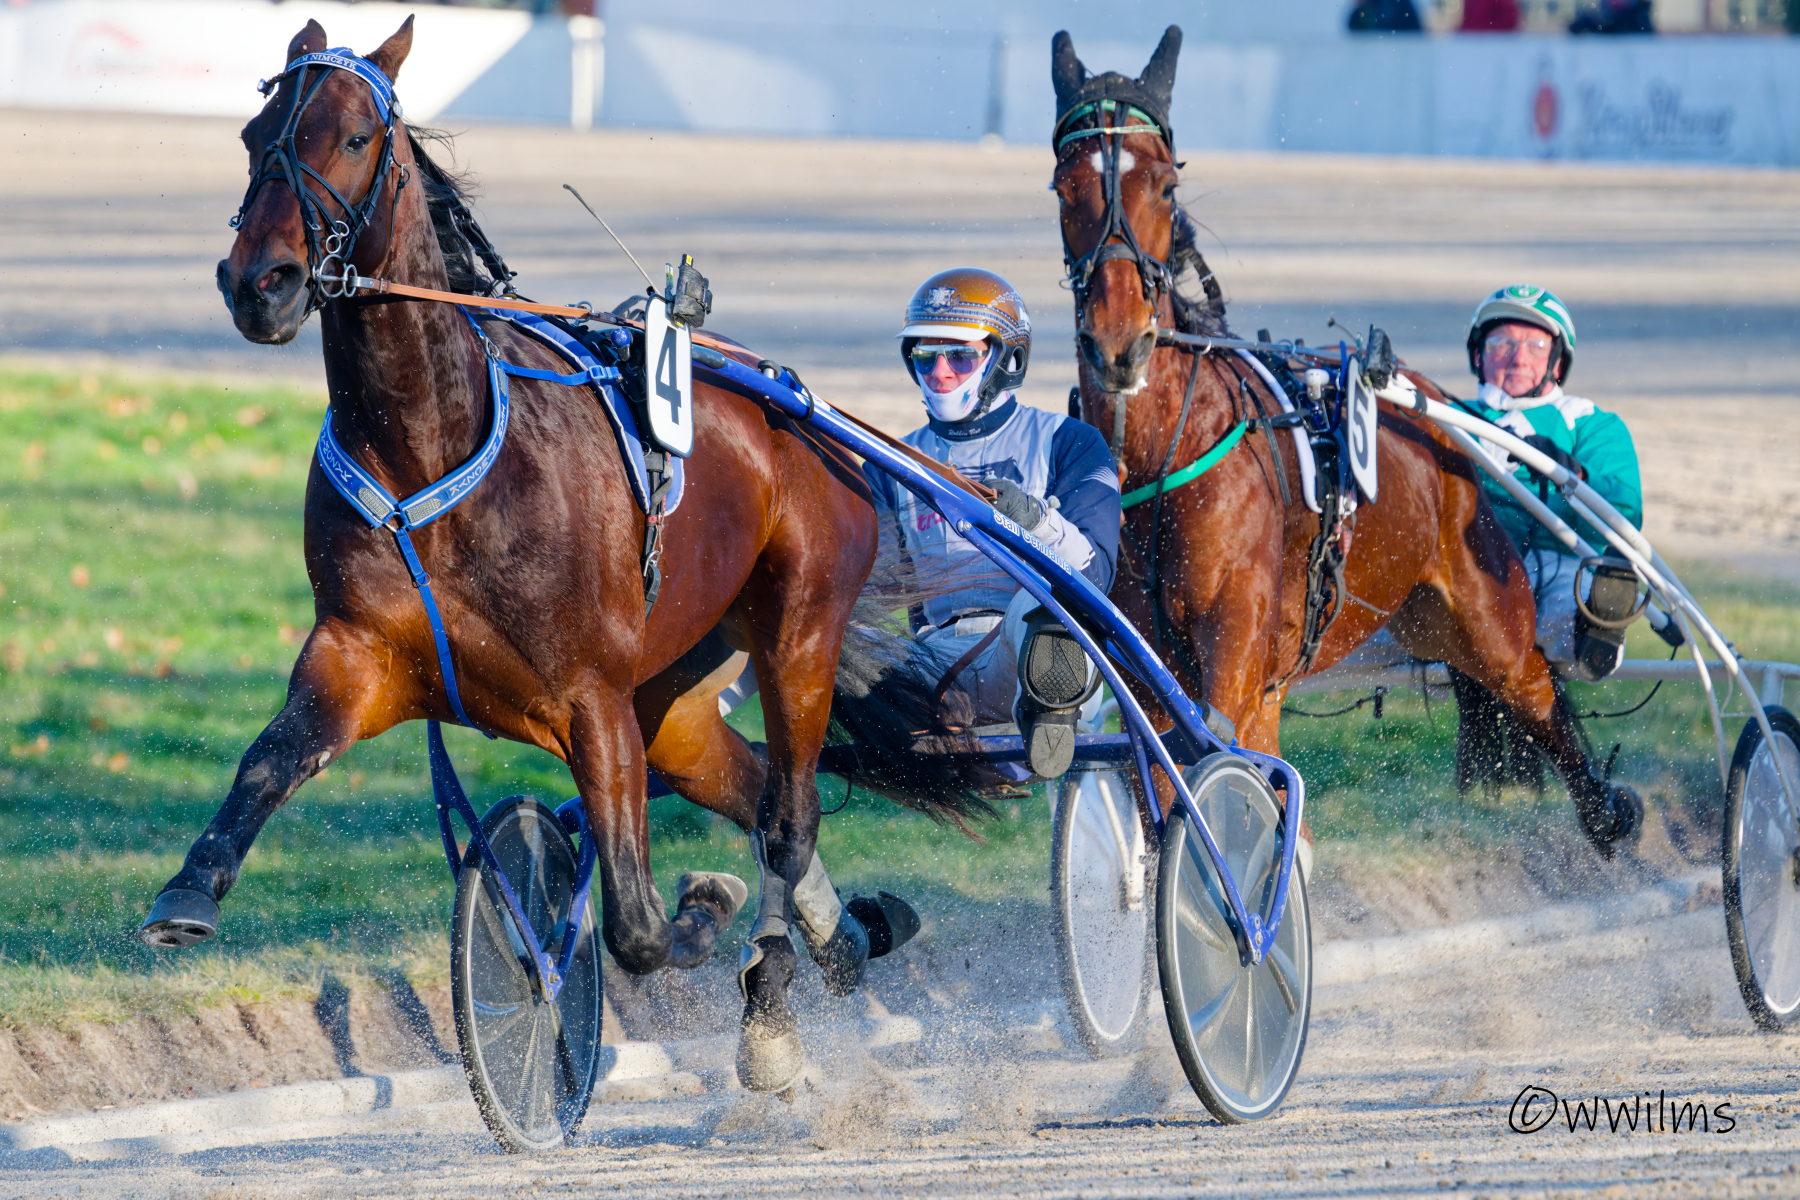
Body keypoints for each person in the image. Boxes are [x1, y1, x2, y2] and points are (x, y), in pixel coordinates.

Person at [863, 268, 1122, 778]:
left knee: (1045, 602)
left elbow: (1095, 577)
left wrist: (1034, 520)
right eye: (925, 355)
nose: (939, 373)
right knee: (804, 618)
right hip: (932, 665)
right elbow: (869, 591)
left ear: (1009, 358)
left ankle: (1046, 719)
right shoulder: (889, 464)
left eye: (960, 356)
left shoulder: (1071, 442)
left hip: (1032, 649)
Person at [1463, 283, 1643, 683]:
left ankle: (1596, 628)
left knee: (1561, 610)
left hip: (1556, 561)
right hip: (1460, 566)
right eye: (1502, 344)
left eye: (1536, 346)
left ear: (1557, 364)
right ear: (1478, 356)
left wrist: (1572, 471)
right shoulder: (1444, 415)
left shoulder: (1589, 422)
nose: (1518, 358)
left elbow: (1626, 509)